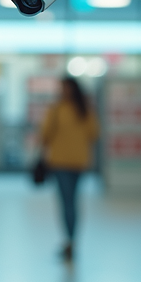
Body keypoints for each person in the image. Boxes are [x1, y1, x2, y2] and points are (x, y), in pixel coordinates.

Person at [40, 76, 99, 261]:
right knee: (68, 201)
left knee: (71, 201)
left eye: (67, 88)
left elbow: (95, 132)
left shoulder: (83, 110)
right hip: (60, 163)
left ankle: (71, 240)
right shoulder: (56, 109)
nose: (64, 91)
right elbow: (44, 134)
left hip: (77, 163)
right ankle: (70, 241)